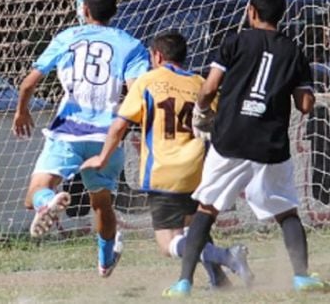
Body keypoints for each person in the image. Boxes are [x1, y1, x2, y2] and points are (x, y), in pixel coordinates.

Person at [164, 0, 329, 297]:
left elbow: (210, 87)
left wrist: (200, 111)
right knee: (286, 212)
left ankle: (184, 282)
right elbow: (305, 105)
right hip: (270, 145)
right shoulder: (293, 52)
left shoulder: (234, 42)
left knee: (206, 209)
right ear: (281, 17)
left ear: (251, 11)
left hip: (231, 139)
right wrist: (299, 88)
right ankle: (302, 277)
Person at [80, 31, 252, 289]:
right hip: (198, 170)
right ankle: (219, 279)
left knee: (167, 243)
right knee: (198, 226)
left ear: (157, 56)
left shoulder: (148, 81)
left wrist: (102, 157)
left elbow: (119, 125)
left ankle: (226, 256)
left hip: (164, 172)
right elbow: (222, 122)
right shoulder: (199, 83)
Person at [12, 0, 149, 278]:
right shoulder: (131, 44)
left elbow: (28, 83)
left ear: (84, 9)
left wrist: (22, 111)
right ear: (114, 11)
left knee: (34, 193)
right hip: (106, 136)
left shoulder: (67, 37)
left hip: (68, 130)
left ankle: (47, 202)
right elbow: (137, 93)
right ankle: (104, 262)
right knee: (101, 202)